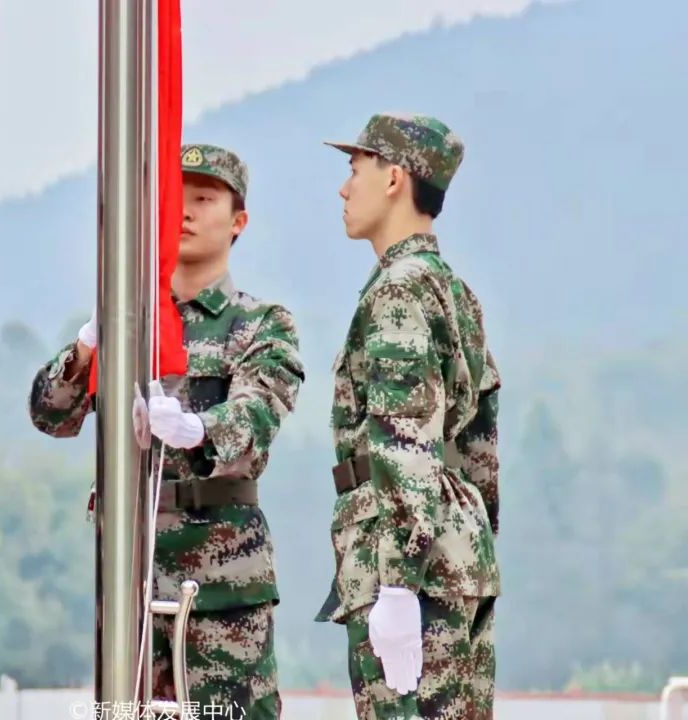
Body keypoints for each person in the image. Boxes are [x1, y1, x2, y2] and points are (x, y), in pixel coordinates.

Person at [28, 144, 305, 719]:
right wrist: (88, 346)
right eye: (175, 197)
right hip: (131, 571)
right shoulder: (131, 323)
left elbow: (259, 411)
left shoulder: (260, 324)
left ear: (238, 221)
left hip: (220, 581)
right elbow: (51, 414)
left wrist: (197, 429)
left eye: (204, 199)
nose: (185, 211)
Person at [314, 113, 501, 719]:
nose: (345, 188)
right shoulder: (453, 289)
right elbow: (479, 446)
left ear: (394, 178)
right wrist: (469, 543)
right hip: (457, 554)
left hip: (408, 563)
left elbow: (403, 437)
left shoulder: (398, 289)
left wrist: (398, 580)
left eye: (356, 169)